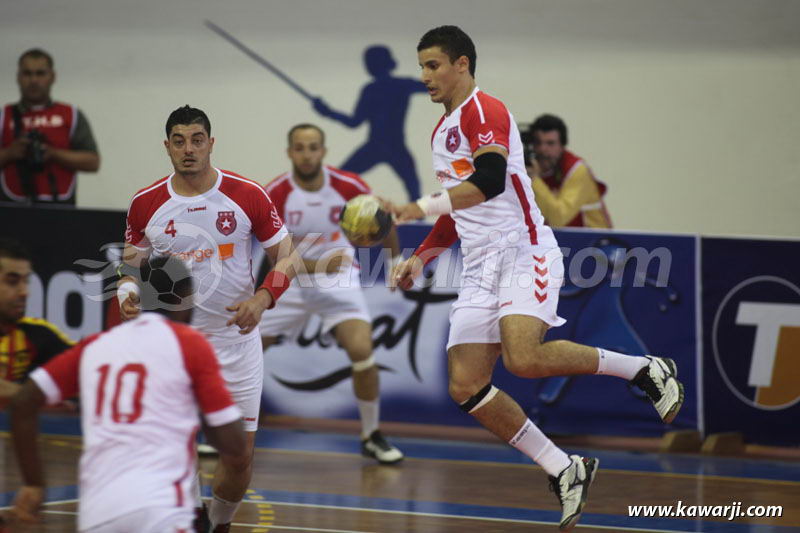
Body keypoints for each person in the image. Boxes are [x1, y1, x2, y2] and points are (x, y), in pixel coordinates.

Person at [388, 26, 683, 532]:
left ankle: (644, 369)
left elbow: (488, 181)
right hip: (480, 267)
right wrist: (422, 258)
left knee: (523, 359)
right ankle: (564, 467)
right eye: (422, 66)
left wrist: (418, 206)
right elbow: (458, 212)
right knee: (465, 384)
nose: (425, 76)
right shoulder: (441, 132)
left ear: (462, 64)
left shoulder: (485, 111)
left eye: (433, 65)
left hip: (523, 253)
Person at [118, 105, 302, 532]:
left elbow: (289, 258)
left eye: (197, 140)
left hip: (235, 345)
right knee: (174, 452)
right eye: (179, 141)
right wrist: (128, 295)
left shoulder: (247, 194)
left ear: (211, 144)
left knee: (239, 458)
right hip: (173, 350)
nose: (189, 149)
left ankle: (219, 524)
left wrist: (262, 299)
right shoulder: (146, 203)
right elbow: (130, 268)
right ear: (167, 147)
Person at [6, 256, 247, 532]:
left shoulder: (95, 345)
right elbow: (235, 444)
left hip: (98, 511)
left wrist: (34, 483)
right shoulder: (190, 344)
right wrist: (203, 413)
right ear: (185, 300)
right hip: (160, 508)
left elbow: (24, 401)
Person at [260, 123, 404, 464]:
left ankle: (371, 434)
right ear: (289, 152)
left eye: (313, 147)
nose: (307, 154)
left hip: (339, 282)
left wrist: (395, 263)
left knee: (362, 351)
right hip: (290, 283)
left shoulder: (348, 186)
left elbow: (385, 222)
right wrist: (318, 265)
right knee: (243, 349)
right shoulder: (275, 193)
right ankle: (226, 431)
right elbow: (274, 256)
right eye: (299, 147)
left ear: (323, 151)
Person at [313, 45, 428, 200]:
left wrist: (328, 112)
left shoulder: (372, 89)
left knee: (337, 181)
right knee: (414, 189)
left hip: (377, 146)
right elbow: (434, 86)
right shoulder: (402, 85)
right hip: (393, 146)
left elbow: (354, 122)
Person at [0, 48, 100, 205]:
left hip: (60, 208)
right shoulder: (3, 115)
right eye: (27, 73)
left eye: (40, 73)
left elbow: (93, 162)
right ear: (18, 77)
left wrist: (52, 154)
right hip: (10, 208)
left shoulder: (70, 114)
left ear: (52, 77)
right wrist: (10, 153)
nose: (34, 80)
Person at [0, 237, 74, 407]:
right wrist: (40, 398)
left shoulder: (34, 333)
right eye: (12, 281)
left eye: (26, 281)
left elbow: (84, 367)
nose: (24, 292)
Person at [525, 114, 611, 228]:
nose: (542, 149)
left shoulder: (576, 170)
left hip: (593, 237)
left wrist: (534, 179)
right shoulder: (528, 168)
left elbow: (558, 219)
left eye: (550, 143)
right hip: (558, 237)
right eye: (538, 143)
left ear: (562, 146)